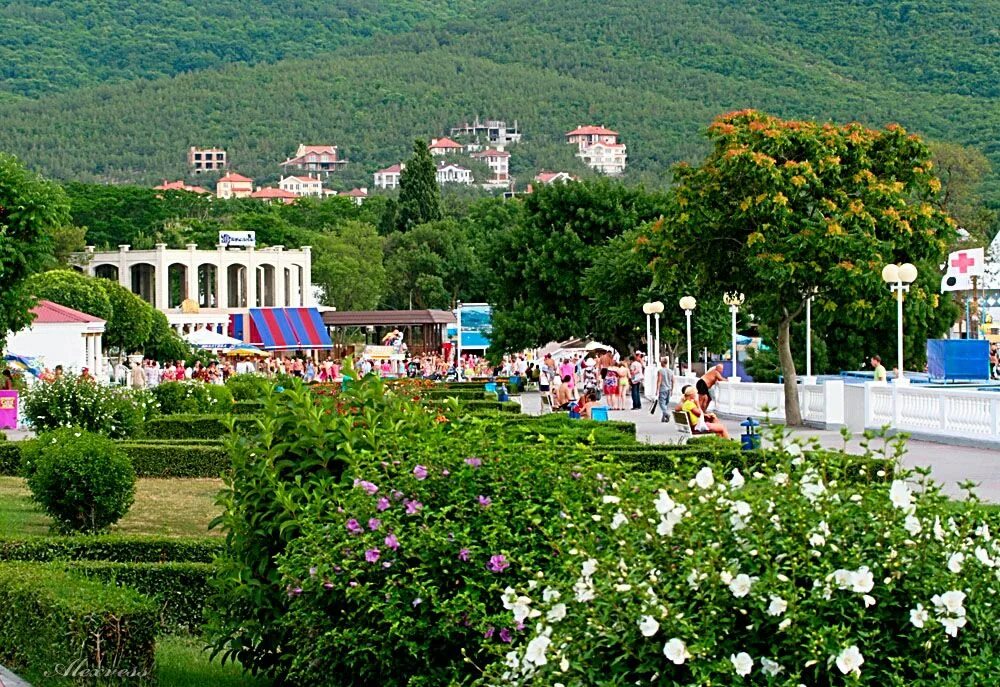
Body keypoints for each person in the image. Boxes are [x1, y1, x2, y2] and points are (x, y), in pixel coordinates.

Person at [656, 356, 674, 422]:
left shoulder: (660, 371)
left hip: (663, 389)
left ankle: (666, 414)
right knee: (665, 403)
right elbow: (673, 381)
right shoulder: (670, 371)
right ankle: (663, 417)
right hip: (669, 389)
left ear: (662, 363)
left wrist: (657, 390)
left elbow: (659, 381)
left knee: (662, 403)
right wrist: (672, 390)